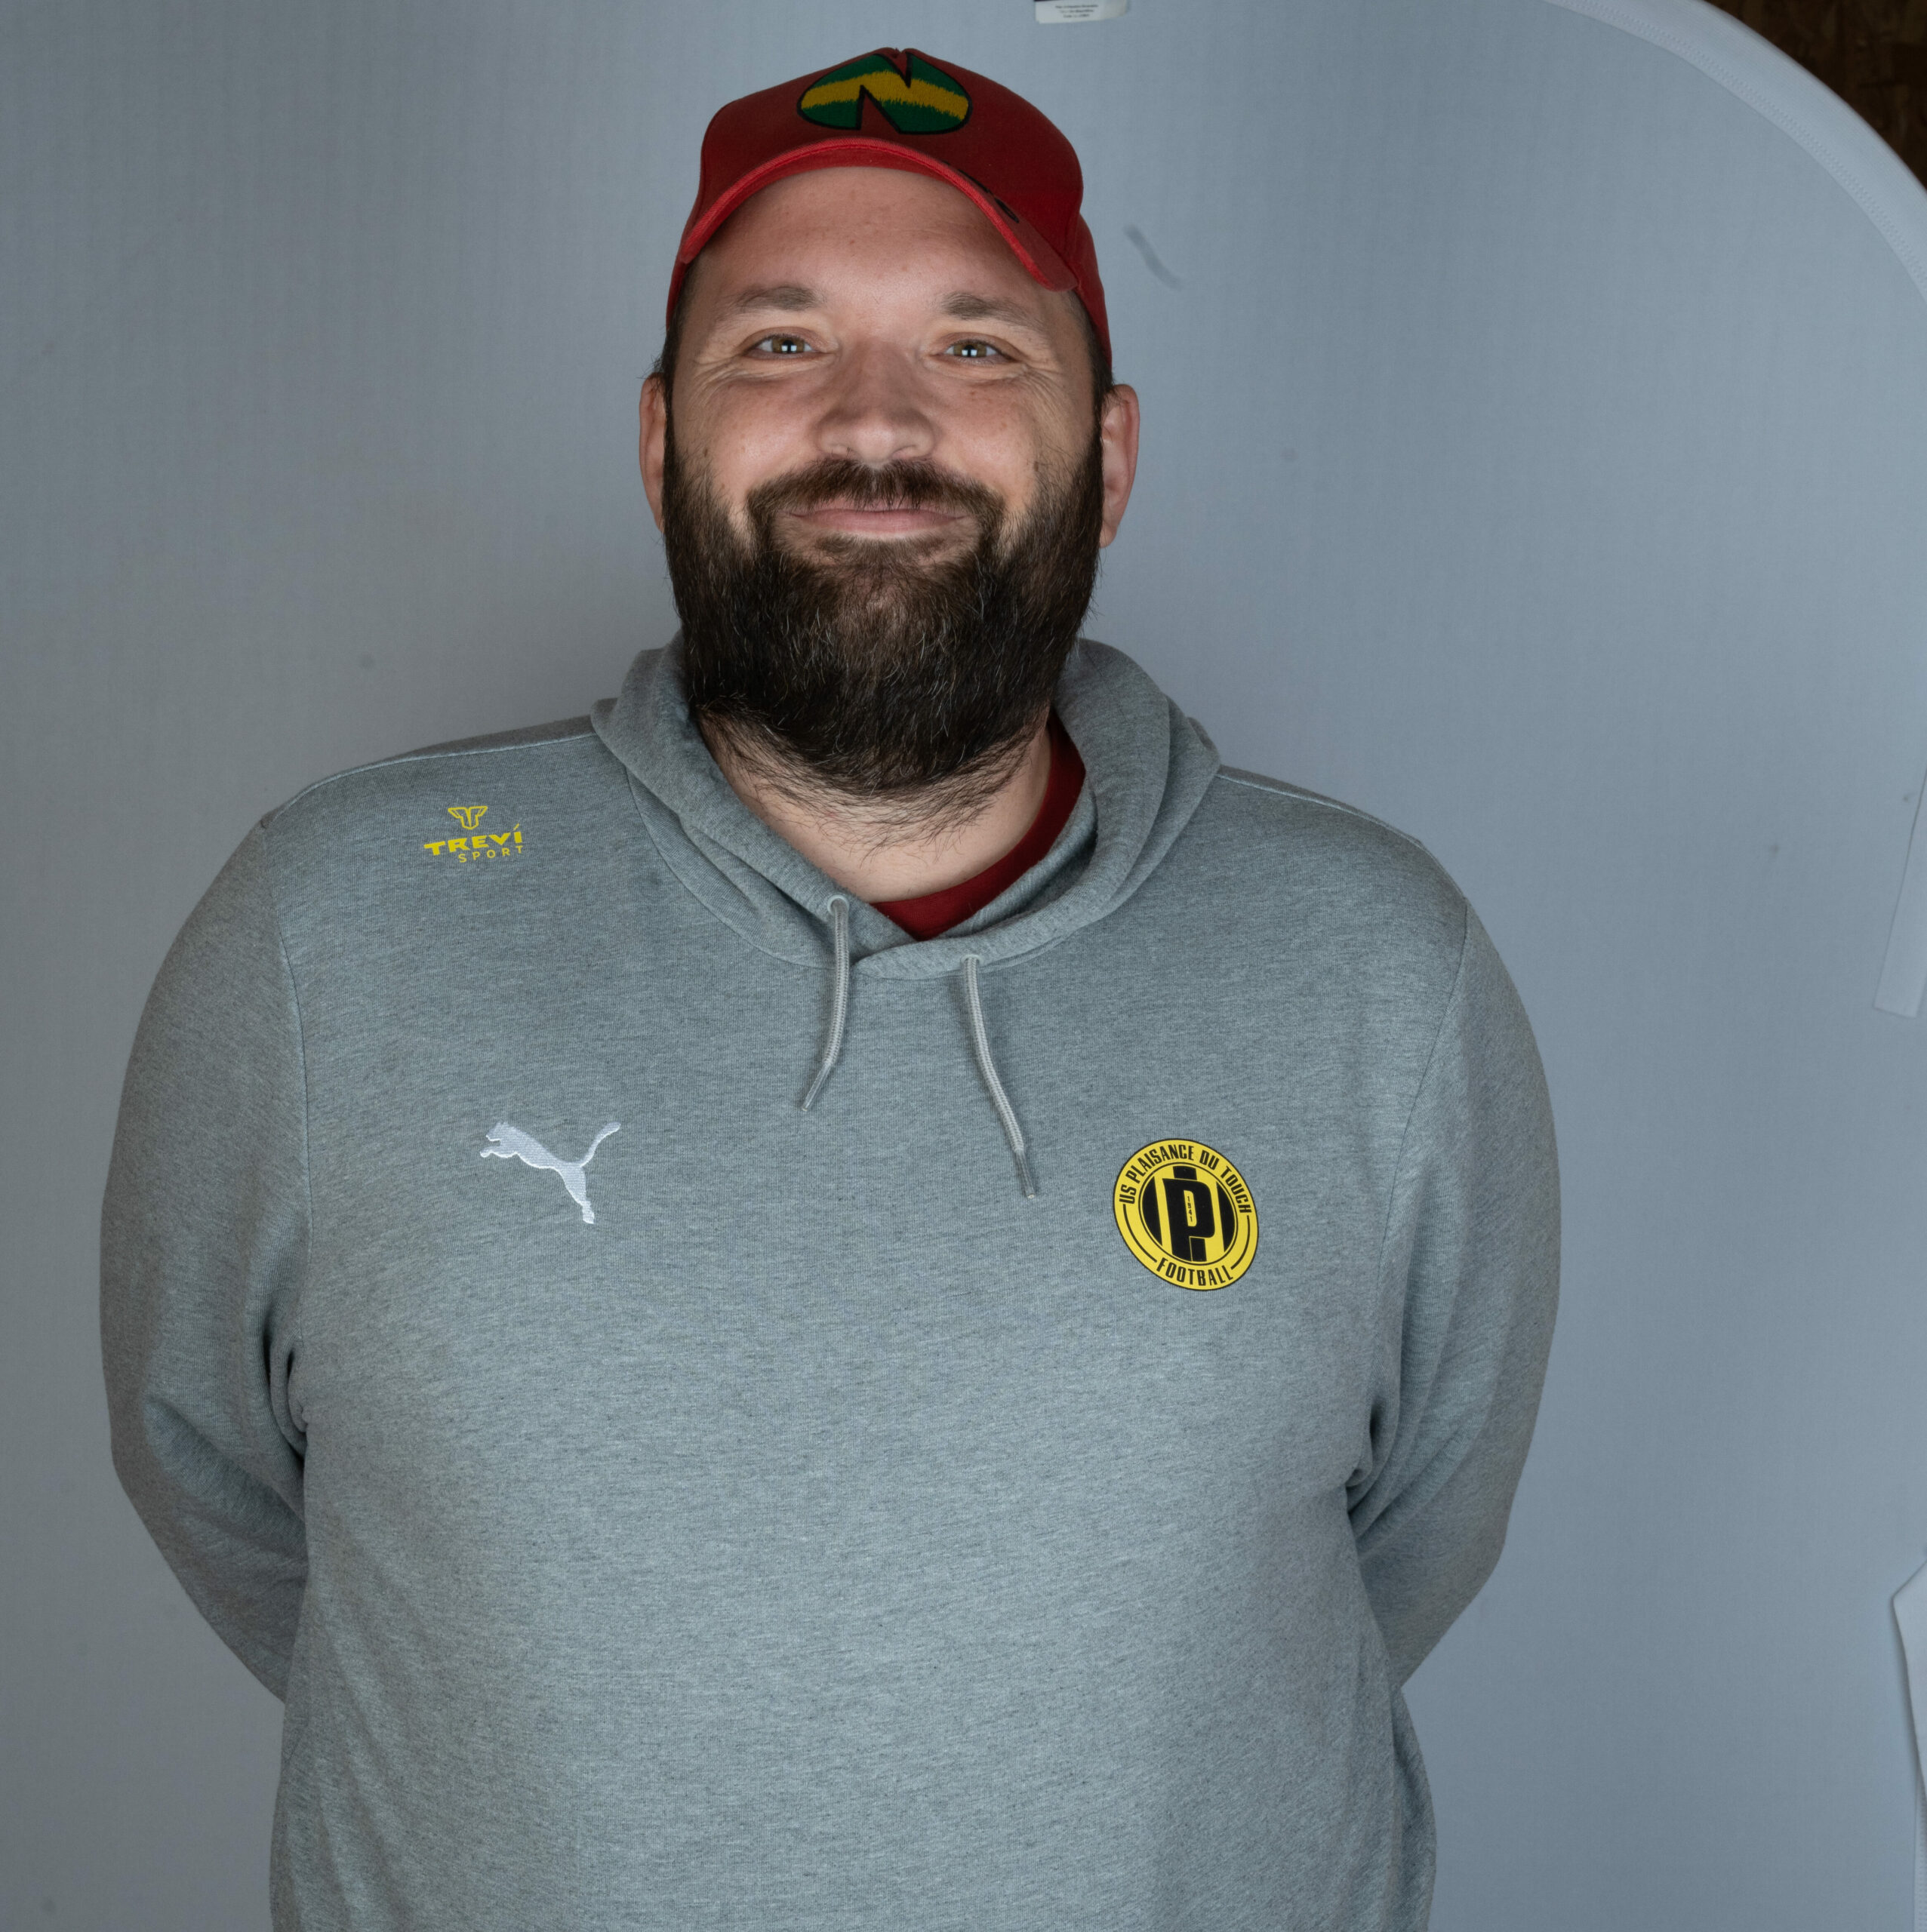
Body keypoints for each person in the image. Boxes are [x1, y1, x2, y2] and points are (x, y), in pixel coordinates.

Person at [102, 47, 1558, 1932]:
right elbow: (221, 1483)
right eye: (779, 343)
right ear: (659, 443)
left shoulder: (1376, 971)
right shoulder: (330, 930)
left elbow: (1398, 1547)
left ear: (1108, 456)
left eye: (973, 346)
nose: (875, 422)